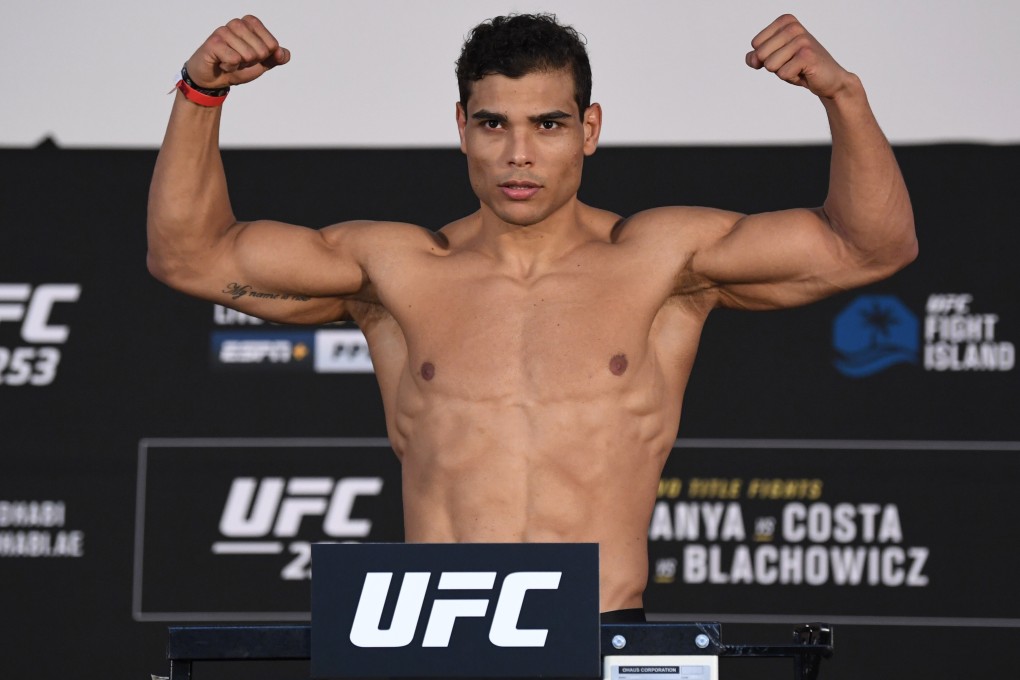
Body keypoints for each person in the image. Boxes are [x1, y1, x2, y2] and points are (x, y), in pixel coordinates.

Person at [147, 12, 916, 618]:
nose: (519, 153)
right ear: (461, 128)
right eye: (494, 124)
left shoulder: (662, 261)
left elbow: (870, 246)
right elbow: (191, 257)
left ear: (589, 129)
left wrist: (841, 94)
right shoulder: (396, 270)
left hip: (605, 635)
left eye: (547, 124)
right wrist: (199, 95)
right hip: (434, 638)